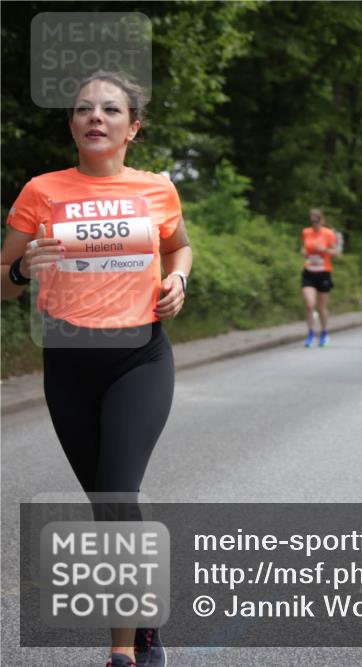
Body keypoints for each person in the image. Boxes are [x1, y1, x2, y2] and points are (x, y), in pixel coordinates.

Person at [1, 71, 190, 667]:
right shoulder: (42, 190)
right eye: (83, 109)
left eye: (111, 109)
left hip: (140, 358)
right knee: (106, 505)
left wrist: (179, 277)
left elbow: (178, 245)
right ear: (72, 124)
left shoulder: (158, 189)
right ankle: (146, 617)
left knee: (115, 493)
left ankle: (123, 651)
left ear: (133, 126)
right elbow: (0, 284)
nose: (95, 118)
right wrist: (24, 270)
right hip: (69, 362)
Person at [300, 208, 341, 347]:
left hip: (324, 272)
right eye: (312, 222)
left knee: (321, 307)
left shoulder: (328, 234)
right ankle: (311, 333)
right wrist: (304, 252)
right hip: (309, 271)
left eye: (317, 221)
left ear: (322, 220)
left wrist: (324, 250)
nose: (315, 224)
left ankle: (324, 333)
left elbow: (336, 253)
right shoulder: (306, 232)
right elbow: (303, 249)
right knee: (309, 305)